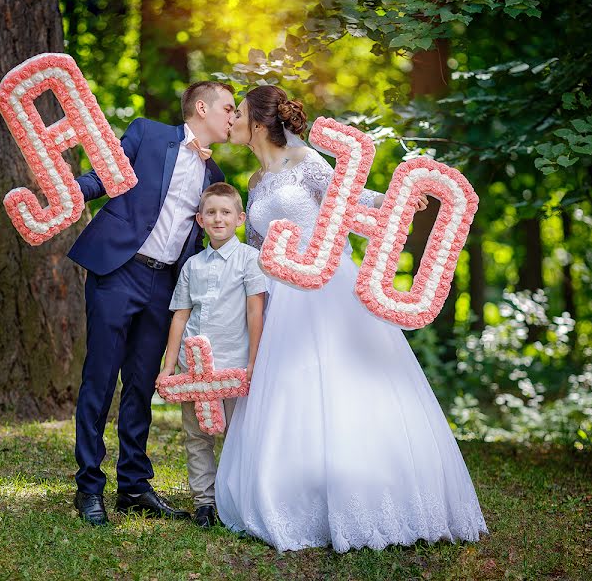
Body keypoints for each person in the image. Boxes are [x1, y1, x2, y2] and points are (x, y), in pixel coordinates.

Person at [215, 85, 488, 551]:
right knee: (288, 391)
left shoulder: (307, 164)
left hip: (327, 287)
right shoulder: (256, 184)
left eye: (237, 113)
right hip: (282, 296)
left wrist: (391, 203)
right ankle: (296, 488)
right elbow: (259, 251)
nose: (232, 121)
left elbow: (351, 198)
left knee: (349, 382)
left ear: (259, 123)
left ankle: (369, 490)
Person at [68, 81, 236, 526]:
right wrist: (71, 191)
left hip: (164, 287)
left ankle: (134, 486)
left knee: (141, 385)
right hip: (118, 271)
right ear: (201, 107)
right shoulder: (148, 134)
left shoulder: (214, 177)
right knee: (100, 380)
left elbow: (207, 236)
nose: (233, 117)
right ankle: (89, 486)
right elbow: (105, 173)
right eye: (229, 108)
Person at [156, 182, 266, 528]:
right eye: (212, 213)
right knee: (197, 434)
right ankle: (204, 502)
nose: (219, 219)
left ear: (240, 218)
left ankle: (236, 500)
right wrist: (169, 365)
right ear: (200, 220)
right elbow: (181, 314)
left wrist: (253, 360)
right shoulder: (192, 265)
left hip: (232, 365)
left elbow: (255, 312)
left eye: (226, 212)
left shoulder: (250, 259)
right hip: (194, 369)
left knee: (238, 433)